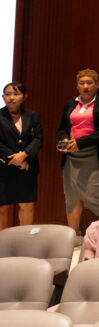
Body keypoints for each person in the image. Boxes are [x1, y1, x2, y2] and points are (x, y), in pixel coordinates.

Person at [57, 68, 99, 236]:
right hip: (71, 157)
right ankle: (72, 236)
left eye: (89, 83)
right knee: (72, 197)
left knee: (96, 196)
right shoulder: (70, 104)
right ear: (77, 86)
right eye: (82, 83)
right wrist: (63, 140)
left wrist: (81, 142)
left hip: (95, 156)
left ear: (97, 85)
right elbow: (62, 128)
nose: (85, 86)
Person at [0, 82, 42, 228]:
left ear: (24, 97)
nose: (11, 97)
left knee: (27, 205)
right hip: (4, 168)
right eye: (8, 94)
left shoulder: (33, 116)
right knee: (2, 207)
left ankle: (25, 242)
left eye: (16, 94)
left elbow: (38, 139)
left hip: (28, 166)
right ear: (3, 97)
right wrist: (15, 159)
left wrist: (24, 155)